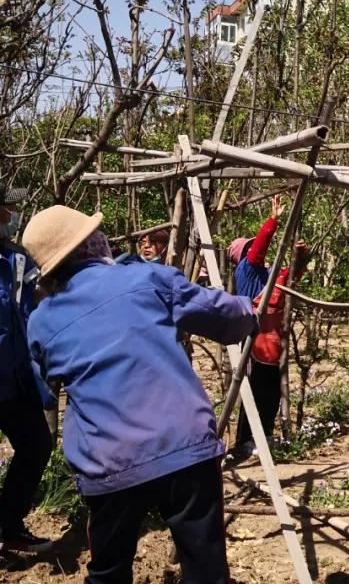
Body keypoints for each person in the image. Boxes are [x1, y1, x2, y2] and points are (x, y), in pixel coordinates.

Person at [22, 205, 256, 584]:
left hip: (107, 461)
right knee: (205, 569)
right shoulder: (147, 278)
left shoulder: (41, 320)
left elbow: (45, 393)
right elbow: (230, 321)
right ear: (90, 246)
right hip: (183, 447)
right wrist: (250, 308)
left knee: (108, 571)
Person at [0, 184, 53, 554]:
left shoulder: (13, 259)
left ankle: (9, 526)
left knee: (36, 445)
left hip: (14, 380)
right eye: (9, 207)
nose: (15, 213)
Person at [227, 195, 289, 460]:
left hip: (270, 343)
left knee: (270, 392)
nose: (257, 251)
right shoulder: (247, 269)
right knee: (252, 392)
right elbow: (260, 248)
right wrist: (272, 222)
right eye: (251, 249)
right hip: (254, 341)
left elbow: (284, 280)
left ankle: (262, 436)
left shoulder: (264, 274)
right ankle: (244, 441)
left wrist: (299, 256)